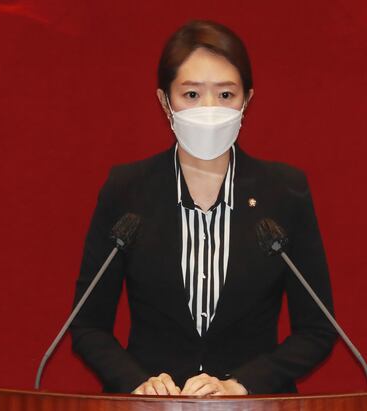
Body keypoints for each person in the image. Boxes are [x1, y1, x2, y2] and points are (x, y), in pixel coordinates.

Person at [70, 19, 337, 396]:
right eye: (192, 94)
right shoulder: (127, 190)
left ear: (247, 100)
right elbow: (88, 325)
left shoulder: (283, 192)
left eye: (226, 94)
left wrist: (241, 385)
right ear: (165, 101)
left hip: (252, 405)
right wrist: (138, 384)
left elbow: (318, 329)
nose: (209, 109)